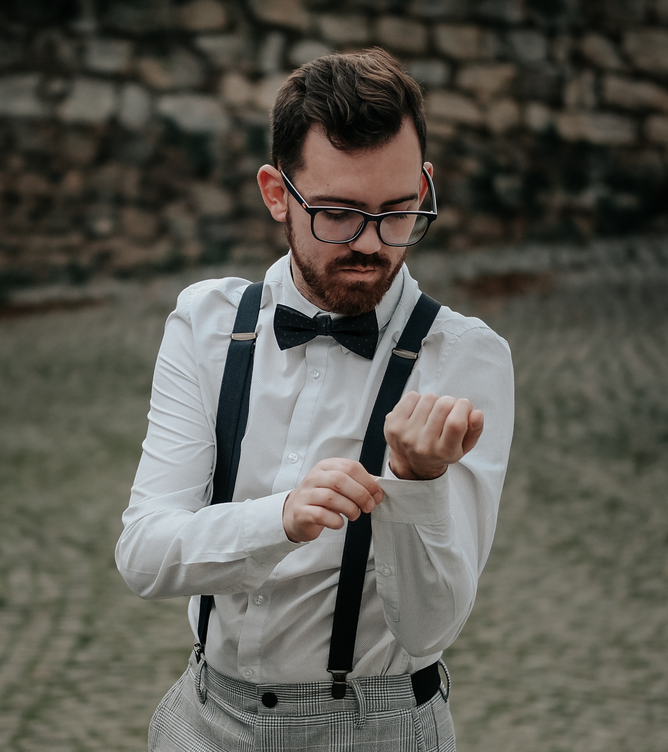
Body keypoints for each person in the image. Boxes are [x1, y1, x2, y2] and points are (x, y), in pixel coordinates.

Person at [115, 49, 514, 751]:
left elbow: (432, 629)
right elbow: (143, 554)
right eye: (337, 213)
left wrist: (416, 484)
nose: (370, 244)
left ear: (425, 185)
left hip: (379, 728)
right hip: (203, 722)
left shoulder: (464, 357)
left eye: (397, 212)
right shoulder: (207, 325)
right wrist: (281, 519)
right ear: (277, 194)